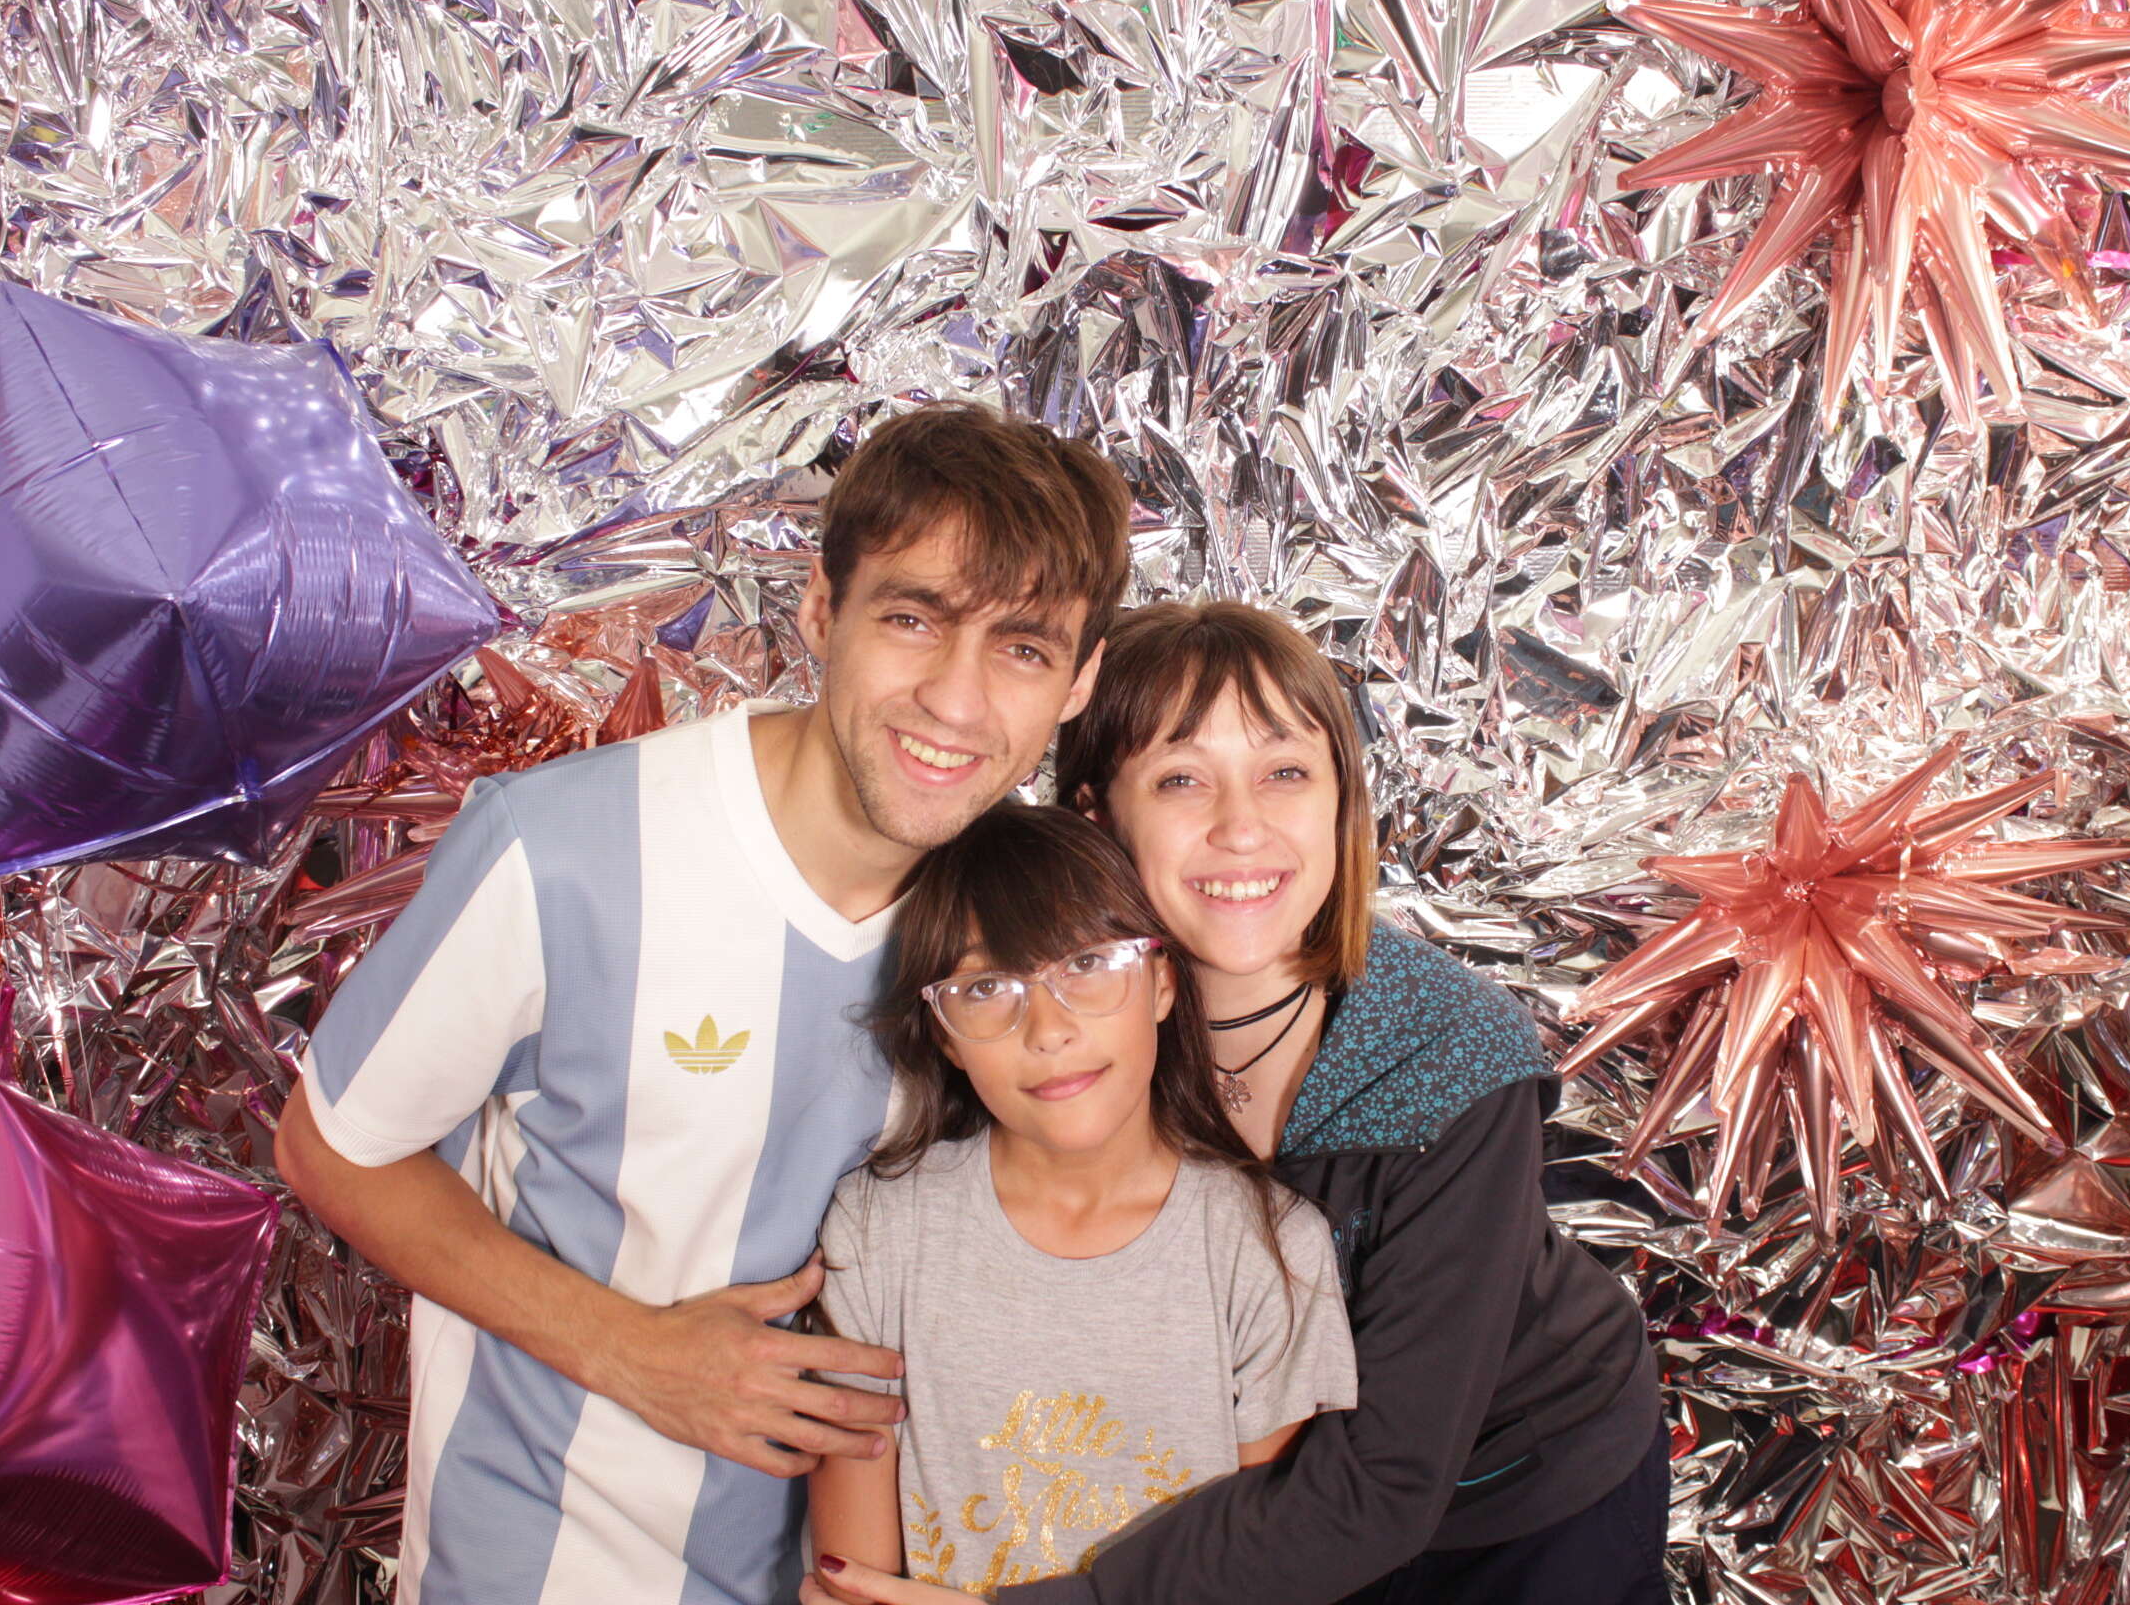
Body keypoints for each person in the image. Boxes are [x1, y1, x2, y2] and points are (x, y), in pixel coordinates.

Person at [271, 402, 1135, 1605]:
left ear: (1080, 683)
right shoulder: (566, 850)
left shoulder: (1023, 934)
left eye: (1024, 651)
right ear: (821, 611)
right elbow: (328, 1146)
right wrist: (634, 1355)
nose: (956, 698)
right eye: (912, 619)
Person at [806, 600, 1667, 1605]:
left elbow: (1386, 1483)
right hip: (1251, 1522)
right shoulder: (1061, 1035)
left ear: (1342, 804)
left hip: (1518, 1494)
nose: (1241, 827)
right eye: (1181, 779)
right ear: (1094, 817)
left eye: (1285, 772)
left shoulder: (1452, 1056)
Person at [807, 803, 1357, 1596]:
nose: (1048, 1029)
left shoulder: (1270, 1249)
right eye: (987, 986)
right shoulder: (878, 1230)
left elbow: (1257, 1573)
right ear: (944, 1033)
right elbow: (854, 1584)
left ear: (1162, 982)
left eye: (1088, 964)